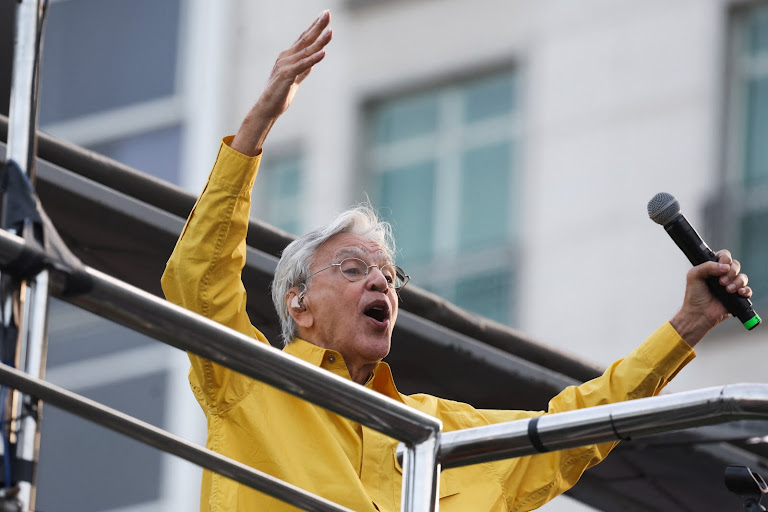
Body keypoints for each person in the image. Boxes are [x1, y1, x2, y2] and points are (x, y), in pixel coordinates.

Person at [161, 10, 753, 512]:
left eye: (390, 276)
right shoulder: (252, 383)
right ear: (299, 301)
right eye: (353, 268)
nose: (380, 282)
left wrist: (689, 325)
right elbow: (196, 278)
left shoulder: (433, 431)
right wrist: (257, 124)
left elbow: (572, 429)